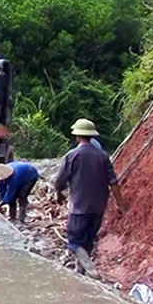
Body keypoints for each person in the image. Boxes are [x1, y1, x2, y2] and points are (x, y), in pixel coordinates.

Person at [54, 118, 127, 279]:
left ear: (77, 136)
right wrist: (121, 204)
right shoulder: (102, 156)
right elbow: (113, 181)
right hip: (99, 207)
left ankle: (90, 270)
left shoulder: (72, 155)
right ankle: (80, 272)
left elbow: (60, 181)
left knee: (74, 241)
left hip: (79, 207)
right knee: (87, 241)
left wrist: (59, 193)